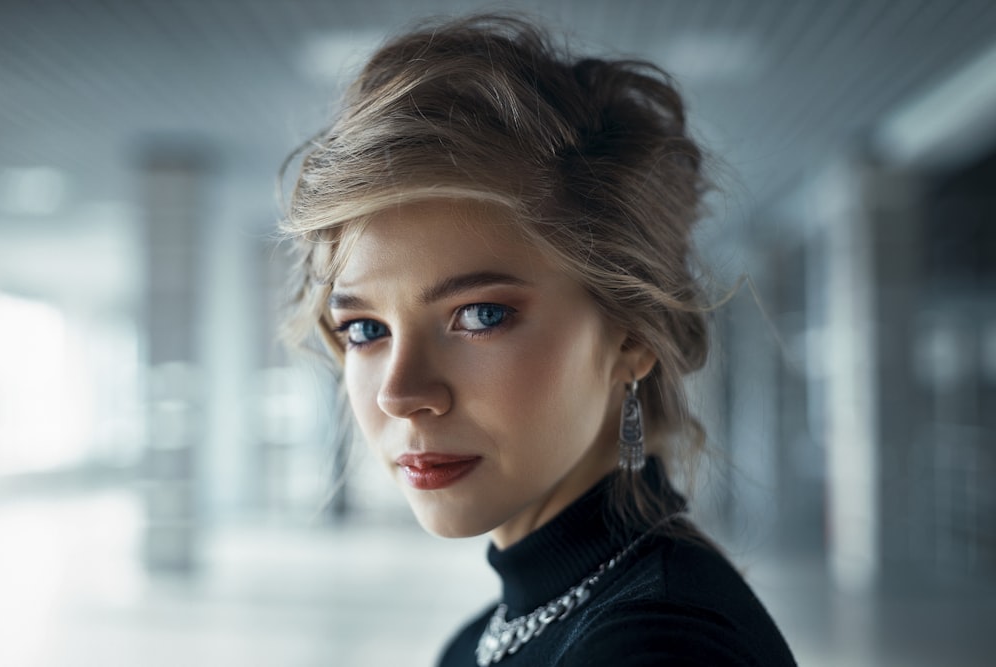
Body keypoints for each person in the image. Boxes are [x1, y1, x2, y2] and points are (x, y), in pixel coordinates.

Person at [280, 13, 796, 667]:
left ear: (630, 333)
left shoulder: (656, 649)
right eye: (366, 329)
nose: (401, 393)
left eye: (481, 315)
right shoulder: (489, 635)